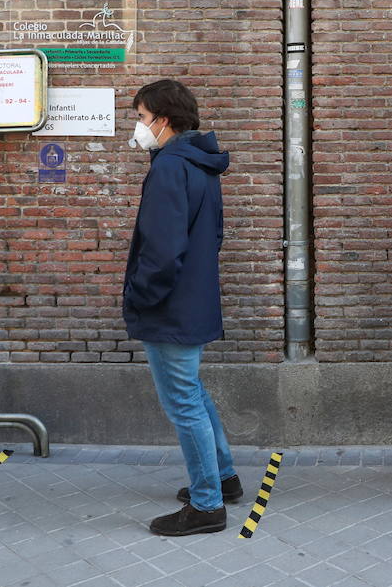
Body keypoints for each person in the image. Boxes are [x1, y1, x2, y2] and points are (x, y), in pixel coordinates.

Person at [122, 79, 241, 537]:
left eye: (140, 117)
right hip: (193, 298)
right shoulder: (200, 163)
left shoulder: (171, 167)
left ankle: (208, 503)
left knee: (183, 402)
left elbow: (162, 249)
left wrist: (141, 295)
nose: (138, 126)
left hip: (169, 306)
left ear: (162, 119)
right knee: (192, 391)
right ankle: (225, 478)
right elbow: (211, 236)